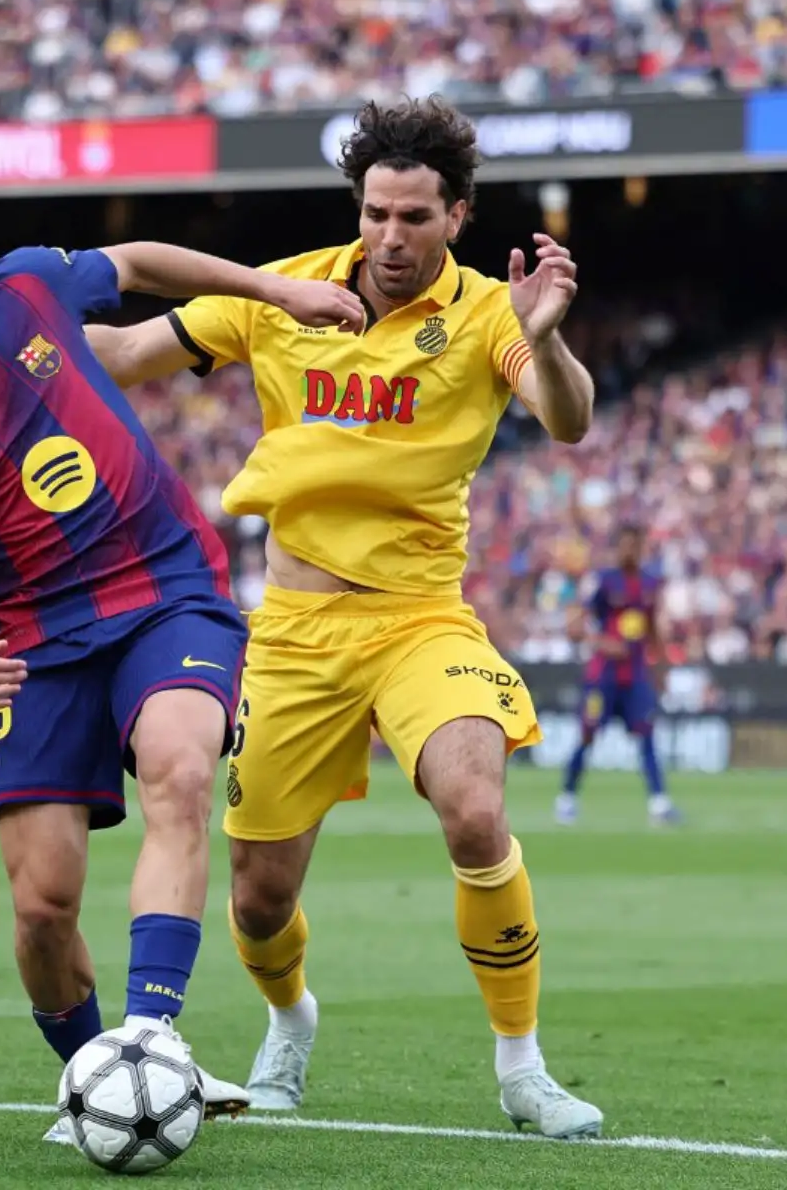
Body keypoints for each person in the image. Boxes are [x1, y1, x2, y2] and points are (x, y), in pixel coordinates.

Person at [86, 96, 605, 1139]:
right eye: (375, 213)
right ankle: (290, 1019)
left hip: (421, 621)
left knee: (473, 805)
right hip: (292, 632)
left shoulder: (493, 313)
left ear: (458, 216)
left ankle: (522, 1067)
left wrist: (544, 340)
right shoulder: (285, 292)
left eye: (415, 217)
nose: (391, 237)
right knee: (259, 900)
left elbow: (568, 419)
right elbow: (124, 353)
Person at [0, 204, 365, 1142]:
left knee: (180, 774)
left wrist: (276, 288)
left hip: (167, 588)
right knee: (42, 906)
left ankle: (152, 1036)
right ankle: (98, 1079)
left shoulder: (26, 284)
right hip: (36, 642)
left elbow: (141, 257)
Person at [556, 523, 679, 826]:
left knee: (647, 735)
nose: (630, 552)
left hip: (636, 676)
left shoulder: (650, 585)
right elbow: (574, 628)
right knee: (587, 735)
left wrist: (661, 670)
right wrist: (602, 643)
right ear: (617, 548)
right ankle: (567, 798)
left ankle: (659, 802)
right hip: (604, 676)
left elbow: (654, 632)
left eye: (635, 546)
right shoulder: (603, 582)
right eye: (625, 545)